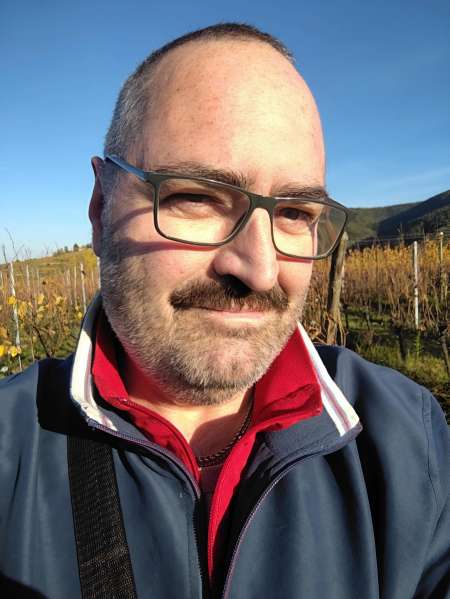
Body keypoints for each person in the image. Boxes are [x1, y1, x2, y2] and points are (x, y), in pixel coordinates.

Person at [0, 23, 448, 599]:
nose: (259, 269)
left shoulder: (409, 440)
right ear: (100, 206)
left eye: (295, 213)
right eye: (197, 197)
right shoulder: (11, 452)